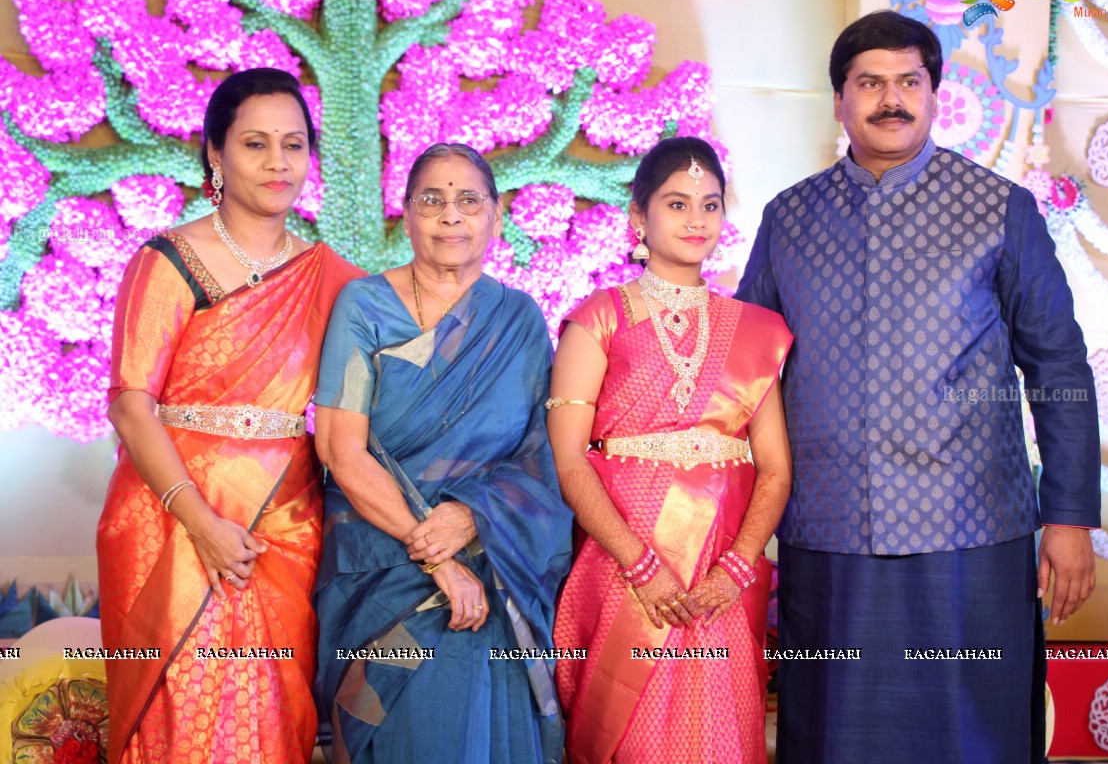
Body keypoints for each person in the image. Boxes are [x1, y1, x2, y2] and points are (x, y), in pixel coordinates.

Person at [736, 10, 1102, 764]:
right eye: (869, 83)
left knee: (975, 733)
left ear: (935, 94)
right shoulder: (789, 219)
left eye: (909, 81)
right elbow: (745, 374)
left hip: (973, 528)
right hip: (826, 524)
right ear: (840, 100)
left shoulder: (999, 210)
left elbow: (1058, 366)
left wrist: (1067, 516)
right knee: (833, 732)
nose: (890, 99)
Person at [98, 67, 363, 762]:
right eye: (255, 144)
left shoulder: (333, 278)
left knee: (270, 713)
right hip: (173, 517)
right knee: (181, 714)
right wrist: (200, 520)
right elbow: (131, 404)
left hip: (285, 520)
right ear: (215, 154)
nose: (279, 163)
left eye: (294, 144)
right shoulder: (167, 260)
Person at [312, 142, 573, 764]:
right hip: (382, 559)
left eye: (468, 201)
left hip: (493, 560)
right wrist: (435, 556)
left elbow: (539, 456)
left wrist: (473, 516)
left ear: (495, 216)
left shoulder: (518, 319)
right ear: (406, 214)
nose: (450, 215)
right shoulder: (364, 305)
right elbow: (341, 451)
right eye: (432, 200)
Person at [550, 136, 793, 764]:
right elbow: (570, 462)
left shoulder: (757, 331)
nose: (696, 220)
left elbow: (775, 469)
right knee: (627, 735)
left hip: (721, 576)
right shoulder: (597, 318)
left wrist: (734, 570)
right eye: (677, 203)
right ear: (639, 216)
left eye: (709, 205)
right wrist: (641, 565)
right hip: (622, 565)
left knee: (720, 733)